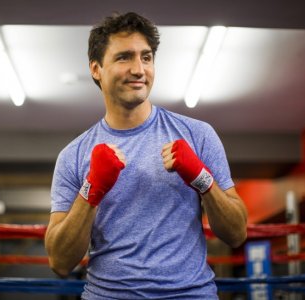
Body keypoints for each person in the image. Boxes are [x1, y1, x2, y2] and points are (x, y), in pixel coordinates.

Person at [45, 12, 247, 299]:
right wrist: (92, 189)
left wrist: (203, 179)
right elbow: (60, 261)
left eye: (147, 57)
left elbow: (237, 233)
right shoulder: (74, 156)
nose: (139, 69)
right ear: (96, 69)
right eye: (124, 57)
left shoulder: (197, 134)